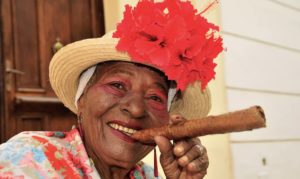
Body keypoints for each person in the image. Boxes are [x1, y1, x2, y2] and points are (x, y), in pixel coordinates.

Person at [0, 0, 223, 178]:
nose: (136, 109)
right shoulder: (26, 161)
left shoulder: (147, 175)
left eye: (155, 97)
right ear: (82, 99)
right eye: (117, 85)